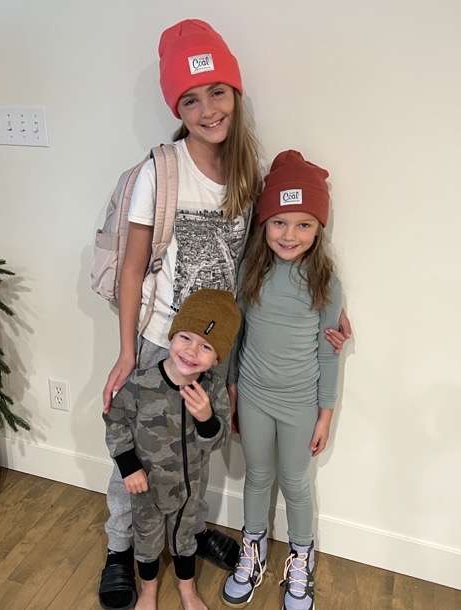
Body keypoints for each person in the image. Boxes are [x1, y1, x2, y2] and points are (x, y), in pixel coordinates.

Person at [97, 19, 350, 610]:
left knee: (196, 447)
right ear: (177, 108)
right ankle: (119, 549)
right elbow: (132, 268)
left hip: (217, 347)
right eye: (190, 99)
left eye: (217, 91)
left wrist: (332, 313)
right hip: (162, 339)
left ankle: (187, 533)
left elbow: (273, 255)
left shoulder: (246, 175)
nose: (208, 109)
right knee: (140, 447)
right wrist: (129, 350)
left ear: (235, 92)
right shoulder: (161, 170)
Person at [221, 150, 343, 610]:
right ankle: (252, 546)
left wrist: (325, 414)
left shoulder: (326, 284)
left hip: (300, 403)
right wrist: (233, 390)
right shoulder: (250, 272)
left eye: (303, 224)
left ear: (318, 228)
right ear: (264, 223)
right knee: (257, 476)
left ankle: (301, 557)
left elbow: (329, 352)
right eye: (279, 223)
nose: (290, 235)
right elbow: (236, 335)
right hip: (253, 395)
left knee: (295, 482)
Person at [104, 289, 241, 610]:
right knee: (147, 540)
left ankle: (187, 589)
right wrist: (128, 466)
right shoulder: (141, 383)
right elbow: (115, 420)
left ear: (217, 358)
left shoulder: (213, 391)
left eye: (206, 346)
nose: (192, 351)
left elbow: (219, 440)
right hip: (146, 487)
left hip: (188, 490)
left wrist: (206, 418)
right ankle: (148, 591)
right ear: (172, 335)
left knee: (184, 538)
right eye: (185, 338)